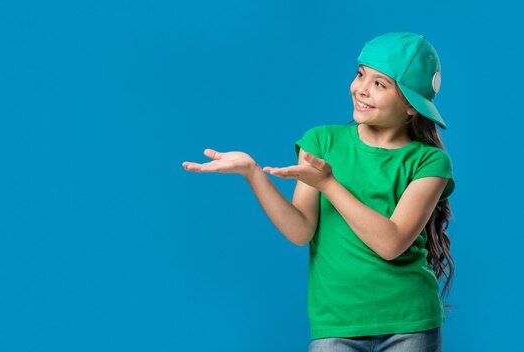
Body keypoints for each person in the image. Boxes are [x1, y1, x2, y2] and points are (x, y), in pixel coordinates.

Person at [182, 32, 454, 352]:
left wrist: (329, 184)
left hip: (411, 324)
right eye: (360, 74)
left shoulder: (430, 161)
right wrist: (252, 173)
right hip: (335, 323)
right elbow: (301, 231)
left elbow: (391, 243)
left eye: (380, 84)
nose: (361, 89)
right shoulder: (322, 142)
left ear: (411, 106)